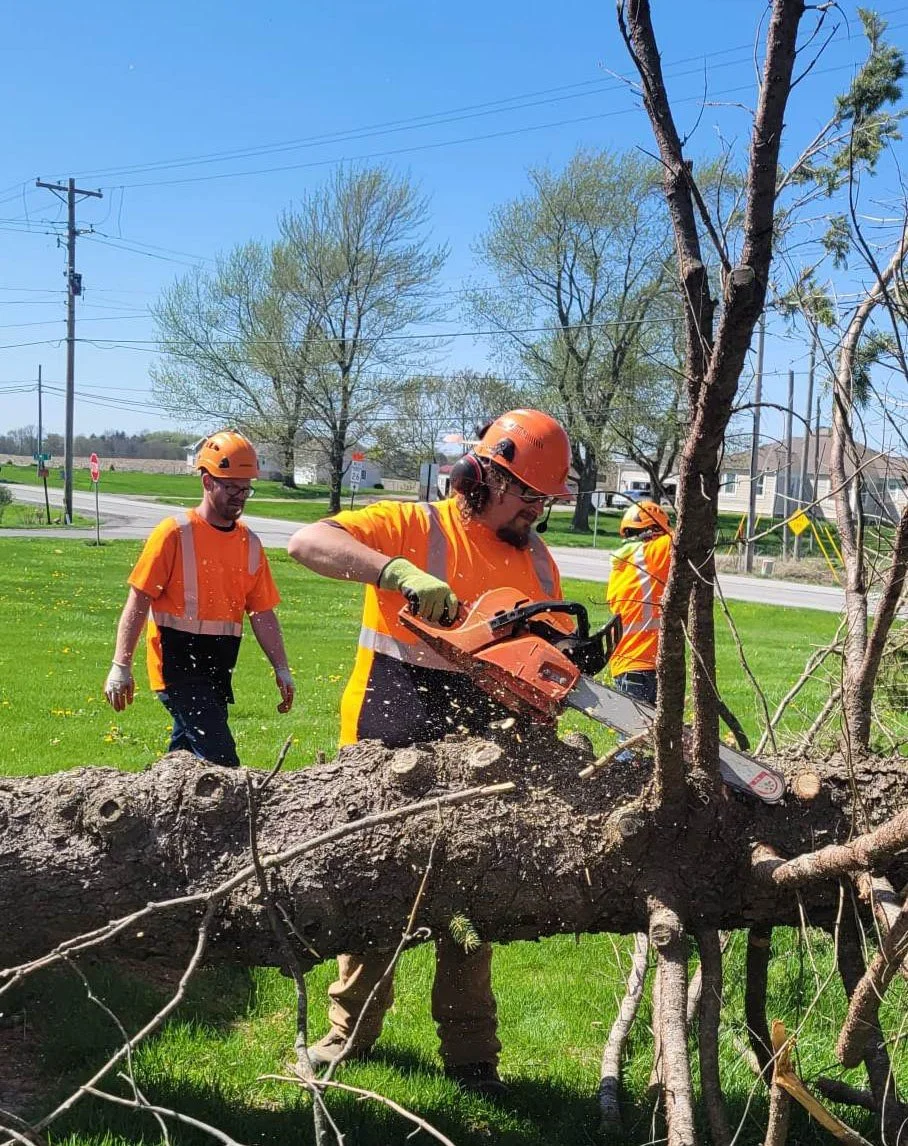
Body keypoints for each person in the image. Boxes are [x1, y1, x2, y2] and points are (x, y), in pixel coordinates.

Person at [286, 409, 574, 1093]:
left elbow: (549, 656)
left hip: (482, 755)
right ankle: (345, 1035)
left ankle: (473, 1058)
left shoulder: (536, 557)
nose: (536, 510)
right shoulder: (418, 528)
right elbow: (304, 541)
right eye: (528, 494)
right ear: (486, 475)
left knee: (470, 915)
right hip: (387, 742)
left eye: (542, 499)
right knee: (378, 904)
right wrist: (396, 573)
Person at [103, 430, 295, 765]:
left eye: (246, 487)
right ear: (207, 481)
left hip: (218, 666)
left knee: (185, 760)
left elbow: (262, 613)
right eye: (231, 487)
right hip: (176, 664)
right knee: (221, 761)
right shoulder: (174, 533)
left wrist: (282, 668)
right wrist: (121, 665)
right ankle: (236, 815)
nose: (240, 496)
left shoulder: (250, 543)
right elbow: (138, 601)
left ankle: (156, 806)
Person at [605, 499, 673, 705]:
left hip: (630, 664)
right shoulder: (652, 553)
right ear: (654, 531)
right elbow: (685, 538)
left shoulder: (624, 564)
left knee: (638, 733)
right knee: (642, 735)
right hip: (642, 664)